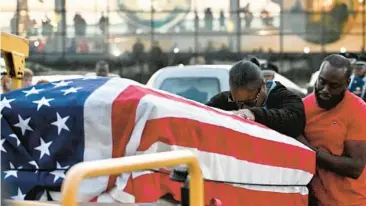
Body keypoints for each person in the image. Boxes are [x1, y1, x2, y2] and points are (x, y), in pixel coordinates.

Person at [299, 54, 366, 206]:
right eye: (321, 82)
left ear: (347, 83)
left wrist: (310, 151)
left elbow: (355, 167)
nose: (325, 90)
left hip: (351, 202)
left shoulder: (358, 111)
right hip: (316, 201)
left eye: (333, 86)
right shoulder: (304, 106)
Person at [206, 59, 305, 138]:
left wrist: (255, 114)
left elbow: (296, 120)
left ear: (263, 86)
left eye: (250, 102)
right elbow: (203, 113)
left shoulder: (284, 96)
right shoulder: (225, 99)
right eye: (238, 102)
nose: (243, 107)